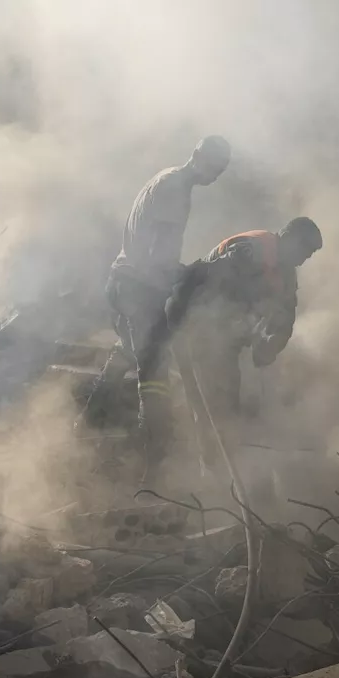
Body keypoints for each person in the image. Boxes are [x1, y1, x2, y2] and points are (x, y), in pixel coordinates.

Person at [80, 136, 231, 482]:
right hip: (138, 286)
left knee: (129, 351)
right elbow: (158, 254)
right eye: (213, 167)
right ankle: (156, 459)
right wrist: (189, 272)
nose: (215, 176)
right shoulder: (175, 190)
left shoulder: (168, 181)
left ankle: (90, 418)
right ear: (196, 155)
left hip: (127, 282)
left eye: (220, 172)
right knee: (154, 372)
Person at [166, 216, 323, 466]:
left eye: (310, 254)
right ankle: (209, 470)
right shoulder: (252, 250)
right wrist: (176, 320)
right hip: (194, 328)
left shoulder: (285, 275)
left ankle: (223, 466)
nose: (305, 259)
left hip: (225, 340)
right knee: (209, 405)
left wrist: (268, 348)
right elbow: (196, 277)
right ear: (290, 239)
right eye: (305, 250)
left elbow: (285, 322)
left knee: (227, 404)